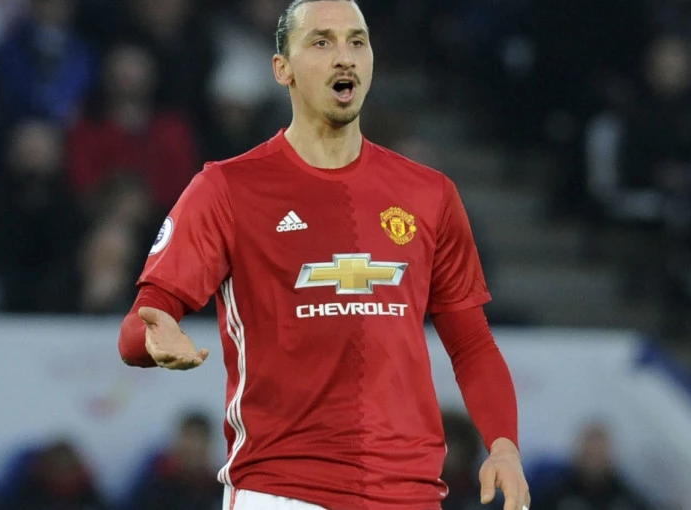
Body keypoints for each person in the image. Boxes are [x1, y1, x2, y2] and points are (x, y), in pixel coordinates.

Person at [118, 1, 530, 509]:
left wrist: (504, 445)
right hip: (282, 490)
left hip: (409, 494)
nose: (344, 57)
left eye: (357, 41)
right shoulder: (226, 189)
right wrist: (152, 336)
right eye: (321, 42)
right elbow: (141, 322)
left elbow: (471, 343)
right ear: (282, 69)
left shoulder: (430, 194)